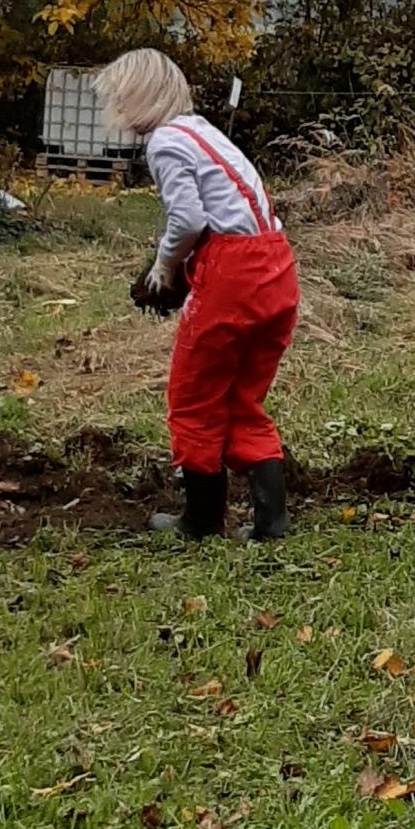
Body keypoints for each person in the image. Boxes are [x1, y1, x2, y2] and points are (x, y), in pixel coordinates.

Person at [99, 50, 300, 544]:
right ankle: (271, 520)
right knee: (242, 397)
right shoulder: (204, 131)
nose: (116, 108)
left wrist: (165, 268)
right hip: (278, 264)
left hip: (233, 273)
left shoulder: (166, 141)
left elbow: (189, 220)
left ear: (139, 95)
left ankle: (201, 519)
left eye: (120, 97)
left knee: (192, 397)